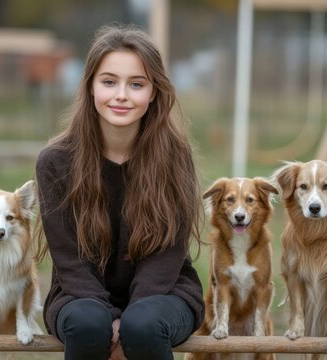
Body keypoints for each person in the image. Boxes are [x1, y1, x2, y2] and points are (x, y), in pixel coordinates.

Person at [35, 24, 204, 360]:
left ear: (154, 92)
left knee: (142, 325)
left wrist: (127, 323)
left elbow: (169, 252)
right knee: (87, 323)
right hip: (77, 294)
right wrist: (110, 317)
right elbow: (69, 259)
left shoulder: (175, 157)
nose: (122, 95)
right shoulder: (55, 162)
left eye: (136, 84)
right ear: (90, 87)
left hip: (165, 292)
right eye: (109, 81)